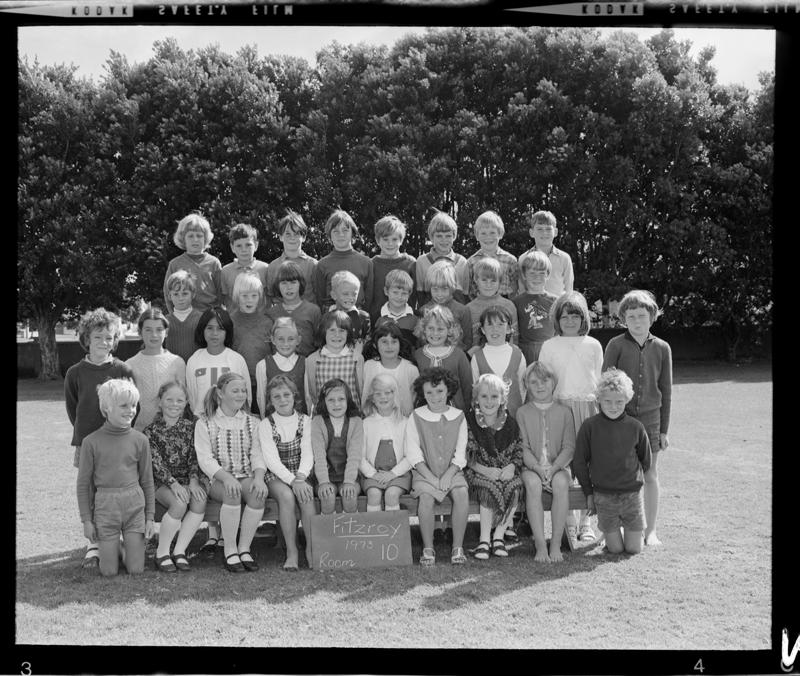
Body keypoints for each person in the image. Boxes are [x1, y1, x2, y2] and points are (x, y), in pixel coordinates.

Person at [65, 307, 135, 568]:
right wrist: (87, 436)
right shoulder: (75, 373)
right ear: (86, 338)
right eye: (98, 337)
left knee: (115, 490)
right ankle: (94, 543)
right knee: (92, 491)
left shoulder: (122, 369)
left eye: (109, 337)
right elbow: (74, 409)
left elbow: (131, 407)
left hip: (117, 442)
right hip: (87, 443)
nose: (104, 342)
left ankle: (117, 537)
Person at [602, 289, 672, 546]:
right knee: (619, 475)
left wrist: (663, 430)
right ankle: (612, 529)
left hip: (651, 421)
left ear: (652, 317)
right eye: (631, 316)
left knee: (650, 474)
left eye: (642, 315)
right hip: (620, 420)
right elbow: (605, 384)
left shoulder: (663, 348)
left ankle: (650, 530)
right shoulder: (616, 345)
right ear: (623, 319)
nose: (637, 321)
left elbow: (666, 390)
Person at [538, 291, 603, 544]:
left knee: (586, 465)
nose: (570, 321)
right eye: (564, 316)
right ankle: (568, 521)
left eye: (575, 316)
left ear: (583, 318)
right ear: (557, 319)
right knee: (561, 465)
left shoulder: (593, 344)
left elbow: (597, 379)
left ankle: (586, 522)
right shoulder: (549, 345)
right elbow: (543, 380)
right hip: (558, 409)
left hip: (587, 409)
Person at [76, 379, 155, 576]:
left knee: (136, 570)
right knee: (108, 572)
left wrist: (150, 518)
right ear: (107, 408)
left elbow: (147, 481)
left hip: (134, 505)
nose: (131, 410)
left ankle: (127, 546)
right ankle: (114, 548)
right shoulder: (90, 442)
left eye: (134, 405)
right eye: (124, 405)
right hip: (105, 507)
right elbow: (83, 485)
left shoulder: (141, 440)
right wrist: (87, 520)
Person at [572, 368, 652, 555]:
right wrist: (589, 492)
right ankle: (612, 532)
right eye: (607, 401)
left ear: (627, 400)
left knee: (633, 549)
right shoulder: (590, 426)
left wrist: (631, 479)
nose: (613, 406)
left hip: (631, 495)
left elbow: (645, 459)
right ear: (598, 399)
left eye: (619, 402)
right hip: (604, 496)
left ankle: (629, 530)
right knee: (615, 550)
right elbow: (580, 462)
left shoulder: (636, 427)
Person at [194, 372, 266, 573]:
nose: (241, 394)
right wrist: (226, 478)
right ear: (220, 393)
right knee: (231, 492)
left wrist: (258, 478)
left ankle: (244, 548)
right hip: (216, 478)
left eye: (243, 390)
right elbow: (205, 459)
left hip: (245, 474)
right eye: (235, 390)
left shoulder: (253, 422)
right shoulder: (205, 422)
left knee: (258, 494)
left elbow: (257, 454)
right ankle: (230, 549)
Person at [405, 367, 469, 566]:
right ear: (423, 394)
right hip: (425, 472)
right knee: (426, 497)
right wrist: (432, 479)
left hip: (452, 470)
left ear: (448, 390)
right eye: (429, 393)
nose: (435, 396)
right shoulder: (416, 416)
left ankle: (457, 546)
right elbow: (413, 453)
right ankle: (428, 547)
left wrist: (449, 475)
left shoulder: (459, 416)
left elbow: (461, 452)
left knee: (461, 493)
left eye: (440, 391)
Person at [143, 380, 206, 572]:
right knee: (179, 504)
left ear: (186, 402)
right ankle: (162, 552)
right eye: (169, 399)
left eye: (180, 400)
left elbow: (195, 457)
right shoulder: (150, 431)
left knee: (199, 500)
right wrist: (174, 485)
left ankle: (179, 550)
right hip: (161, 482)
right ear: (160, 402)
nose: (174, 404)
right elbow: (156, 464)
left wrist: (194, 482)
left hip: (187, 479)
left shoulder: (191, 427)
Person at [517, 361, 575, 563]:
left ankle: (556, 544)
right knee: (532, 484)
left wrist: (555, 467)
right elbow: (522, 447)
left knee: (561, 483)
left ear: (554, 383)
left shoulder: (565, 412)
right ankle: (540, 544)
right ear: (527, 385)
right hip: (530, 467)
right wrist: (536, 468)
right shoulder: (522, 412)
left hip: (558, 467)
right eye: (533, 382)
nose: (540, 386)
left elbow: (569, 447)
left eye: (544, 380)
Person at [256, 374, 316, 570]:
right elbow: (271, 460)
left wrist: (300, 478)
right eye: (276, 397)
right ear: (270, 401)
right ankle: (292, 551)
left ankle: (312, 549)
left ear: (294, 396)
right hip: (277, 474)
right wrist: (292, 481)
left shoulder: (305, 421)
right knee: (286, 496)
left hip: (301, 471)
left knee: (306, 496)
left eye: (286, 395)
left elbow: (308, 452)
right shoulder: (266, 424)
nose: (282, 400)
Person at [464, 374, 523, 560]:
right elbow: (466, 455)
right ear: (476, 399)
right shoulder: (469, 421)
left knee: (514, 487)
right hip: (477, 470)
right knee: (489, 488)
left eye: (494, 397)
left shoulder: (510, 423)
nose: (489, 401)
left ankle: (498, 536)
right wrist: (485, 470)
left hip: (504, 470)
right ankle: (484, 540)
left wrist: (512, 467)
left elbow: (518, 449)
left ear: (502, 399)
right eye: (484, 396)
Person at [126, 307, 186, 431]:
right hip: (140, 431)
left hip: (171, 431)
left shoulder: (177, 362)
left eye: (159, 330)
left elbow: (182, 399)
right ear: (140, 332)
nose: (154, 335)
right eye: (148, 330)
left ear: (166, 332)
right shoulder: (130, 365)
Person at [185, 306, 251, 417]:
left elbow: (246, 396)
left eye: (220, 328)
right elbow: (192, 395)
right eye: (209, 328)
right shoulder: (194, 360)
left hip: (232, 420)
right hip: (202, 420)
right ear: (202, 330)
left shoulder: (236, 360)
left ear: (227, 332)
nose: (214, 333)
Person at [360, 373, 412, 511]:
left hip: (399, 474)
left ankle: (393, 532)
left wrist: (393, 474)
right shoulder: (366, 423)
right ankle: (376, 531)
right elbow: (359, 456)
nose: (383, 397)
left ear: (395, 395)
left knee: (392, 494)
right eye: (378, 394)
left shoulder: (405, 423)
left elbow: (411, 455)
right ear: (372, 398)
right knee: (374, 494)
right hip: (373, 474)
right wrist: (372, 474)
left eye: (387, 392)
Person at [311, 379, 363, 514]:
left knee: (349, 495)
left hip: (350, 477)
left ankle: (351, 531)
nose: (336, 404)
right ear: (324, 402)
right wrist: (323, 482)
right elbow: (319, 456)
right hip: (326, 477)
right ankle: (327, 533)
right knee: (327, 497)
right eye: (331, 400)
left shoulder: (356, 421)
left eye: (341, 399)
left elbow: (355, 455)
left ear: (348, 400)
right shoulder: (318, 422)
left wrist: (349, 481)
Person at [470, 306, 527, 418]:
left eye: (500, 324)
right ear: (482, 329)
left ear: (509, 328)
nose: (495, 329)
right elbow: (475, 390)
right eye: (490, 324)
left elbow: (523, 387)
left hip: (514, 415)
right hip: (487, 417)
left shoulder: (518, 355)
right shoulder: (477, 357)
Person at [413, 305, 472, 412]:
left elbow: (467, 387)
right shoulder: (418, 355)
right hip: (424, 413)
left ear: (449, 330)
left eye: (440, 329)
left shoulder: (459, 355)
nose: (435, 333)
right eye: (431, 328)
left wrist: (466, 412)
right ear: (424, 329)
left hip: (455, 412)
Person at [304, 310, 364, 414]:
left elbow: (361, 390)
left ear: (348, 333)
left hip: (351, 416)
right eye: (332, 330)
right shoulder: (313, 359)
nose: (337, 335)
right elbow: (312, 393)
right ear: (324, 332)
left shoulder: (356, 358)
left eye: (342, 331)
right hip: (324, 416)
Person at [229, 273, 273, 415]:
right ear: (237, 296)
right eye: (244, 296)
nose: (249, 300)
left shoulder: (267, 323)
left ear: (260, 297)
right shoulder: (230, 322)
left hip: (263, 383)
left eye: (254, 296)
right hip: (238, 384)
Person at [313, 209, 373, 312]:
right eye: (335, 231)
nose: (341, 235)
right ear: (329, 235)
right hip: (332, 320)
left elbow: (369, 299)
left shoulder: (366, 262)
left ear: (352, 233)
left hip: (358, 319)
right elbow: (320, 299)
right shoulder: (322, 264)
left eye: (345, 230)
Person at [162, 212, 221, 313]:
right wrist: (175, 316)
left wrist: (216, 315)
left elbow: (221, 292)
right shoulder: (175, 264)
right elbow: (168, 294)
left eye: (199, 235)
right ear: (183, 239)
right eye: (190, 236)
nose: (195, 239)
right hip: (184, 317)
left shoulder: (214, 263)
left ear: (205, 238)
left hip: (209, 317)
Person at [362, 321, 419, 417]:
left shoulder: (411, 369)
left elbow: (415, 399)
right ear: (375, 345)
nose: (389, 346)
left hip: (402, 423)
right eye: (384, 342)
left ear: (400, 344)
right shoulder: (369, 366)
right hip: (374, 422)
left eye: (394, 342)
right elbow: (365, 394)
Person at [265, 260, 321, 358]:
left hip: (306, 366)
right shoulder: (271, 314)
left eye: (293, 282)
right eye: (284, 283)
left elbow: (319, 343)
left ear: (300, 284)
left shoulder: (313, 311)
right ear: (277, 286)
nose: (289, 287)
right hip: (279, 368)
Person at [414, 209, 470, 307]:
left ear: (454, 236)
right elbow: (420, 296)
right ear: (431, 237)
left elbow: (465, 295)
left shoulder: (462, 262)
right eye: (439, 236)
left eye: (448, 236)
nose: (444, 240)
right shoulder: (422, 261)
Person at [367, 215, 417, 323]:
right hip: (378, 323)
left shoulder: (410, 263)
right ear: (377, 240)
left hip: (405, 323)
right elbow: (369, 296)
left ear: (401, 240)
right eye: (385, 239)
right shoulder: (371, 264)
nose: (390, 244)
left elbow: (415, 295)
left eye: (394, 239)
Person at [512, 250, 558, 364]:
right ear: (524, 275)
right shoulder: (516, 302)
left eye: (542, 273)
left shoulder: (556, 301)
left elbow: (559, 329)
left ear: (548, 275)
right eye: (532, 273)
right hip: (525, 351)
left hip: (550, 350)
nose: (537, 277)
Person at [264, 209, 318, 306]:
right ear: (280, 237)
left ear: (304, 237)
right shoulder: (273, 267)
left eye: (297, 233)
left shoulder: (314, 265)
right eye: (288, 234)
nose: (292, 237)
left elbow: (320, 296)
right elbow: (271, 298)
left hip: (309, 319)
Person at [256, 317, 307, 416]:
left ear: (298, 340)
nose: (286, 344)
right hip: (273, 423)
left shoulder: (305, 363)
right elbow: (261, 398)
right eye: (280, 339)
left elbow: (308, 397)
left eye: (291, 339)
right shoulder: (263, 365)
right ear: (273, 340)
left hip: (299, 423)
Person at [517, 210, 574, 298]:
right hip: (531, 309)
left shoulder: (564, 258)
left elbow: (569, 290)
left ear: (555, 232)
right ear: (531, 232)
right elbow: (522, 290)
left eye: (548, 229)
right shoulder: (523, 259)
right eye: (539, 229)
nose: (544, 233)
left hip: (557, 308)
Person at [417, 259, 472, 350]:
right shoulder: (424, 310)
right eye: (435, 289)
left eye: (444, 289)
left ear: (452, 287)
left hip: (455, 359)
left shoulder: (462, 310)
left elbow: (468, 341)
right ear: (429, 287)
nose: (439, 294)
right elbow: (419, 342)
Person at [465, 257, 519, 348]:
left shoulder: (509, 306)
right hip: (478, 359)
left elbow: (515, 337)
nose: (488, 285)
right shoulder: (469, 309)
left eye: (493, 281)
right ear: (476, 279)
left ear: (500, 281)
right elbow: (467, 341)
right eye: (484, 280)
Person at [466, 210, 518, 299]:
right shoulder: (471, 261)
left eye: (492, 233)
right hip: (479, 304)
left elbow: (515, 288)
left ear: (500, 234)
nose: (488, 237)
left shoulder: (510, 260)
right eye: (483, 233)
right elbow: (470, 290)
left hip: (504, 304)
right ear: (477, 236)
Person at [219, 222, 269, 311]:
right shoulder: (225, 271)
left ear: (256, 245)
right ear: (232, 247)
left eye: (248, 245)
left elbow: (270, 298)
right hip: (235, 322)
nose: (244, 250)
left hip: (261, 321)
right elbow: (225, 299)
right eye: (239, 246)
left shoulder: (265, 269)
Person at [163, 270, 203, 364]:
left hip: (197, 371)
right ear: (169, 296)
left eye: (185, 293)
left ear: (193, 294)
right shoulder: (164, 321)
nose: (180, 298)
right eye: (176, 294)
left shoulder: (202, 319)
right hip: (172, 372)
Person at [372, 269, 419, 348]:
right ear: (386, 291)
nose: (399, 297)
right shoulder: (377, 316)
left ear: (409, 294)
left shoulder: (416, 317)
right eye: (395, 292)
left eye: (404, 293)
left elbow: (418, 344)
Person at [327, 270, 371, 352]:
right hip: (333, 361)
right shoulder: (327, 317)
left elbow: (368, 342)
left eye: (354, 294)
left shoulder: (363, 317)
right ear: (334, 295)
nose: (350, 298)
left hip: (356, 360)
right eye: (345, 294)